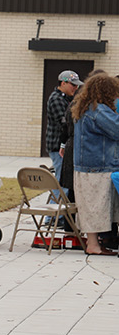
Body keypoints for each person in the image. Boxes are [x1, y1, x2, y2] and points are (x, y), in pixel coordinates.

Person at [69, 72, 119, 257]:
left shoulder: (85, 108)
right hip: (99, 166)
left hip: (87, 166)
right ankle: (94, 246)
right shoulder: (99, 110)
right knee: (98, 207)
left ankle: (93, 244)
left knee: (91, 207)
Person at [46, 70, 82, 183]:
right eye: (73, 85)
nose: (76, 88)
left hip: (62, 146)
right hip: (58, 146)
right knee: (61, 180)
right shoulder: (57, 99)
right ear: (63, 83)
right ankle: (56, 201)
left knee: (63, 178)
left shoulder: (66, 98)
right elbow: (64, 124)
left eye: (77, 85)